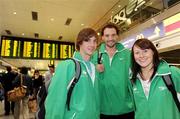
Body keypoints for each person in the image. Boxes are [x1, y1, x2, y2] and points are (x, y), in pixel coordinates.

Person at [45, 28, 99, 119]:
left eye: (94, 41)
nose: (92, 44)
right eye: (87, 40)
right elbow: (55, 100)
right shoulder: (67, 65)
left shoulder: (94, 68)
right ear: (79, 42)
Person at [92, 23, 134, 119]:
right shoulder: (94, 56)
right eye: (107, 35)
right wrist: (95, 68)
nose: (110, 38)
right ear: (102, 37)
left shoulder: (128, 54)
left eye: (113, 35)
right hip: (103, 110)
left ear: (117, 36)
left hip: (126, 109)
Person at [131, 38, 180, 119]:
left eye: (145, 51)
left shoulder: (171, 73)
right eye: (137, 53)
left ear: (153, 52)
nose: (141, 56)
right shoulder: (133, 79)